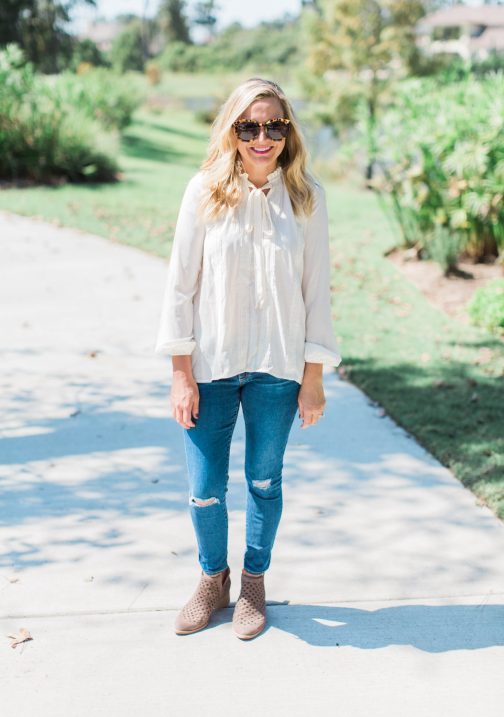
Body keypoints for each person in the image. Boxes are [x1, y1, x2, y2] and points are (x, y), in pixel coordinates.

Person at [155, 77, 342, 640]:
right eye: (249, 127)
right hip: (212, 366)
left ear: (288, 131)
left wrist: (314, 378)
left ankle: (253, 583)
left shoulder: (307, 198)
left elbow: (318, 291)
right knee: (205, 485)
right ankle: (213, 579)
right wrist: (180, 375)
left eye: (274, 126)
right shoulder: (203, 192)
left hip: (278, 369)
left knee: (264, 481)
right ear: (232, 130)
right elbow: (179, 289)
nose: (263, 138)